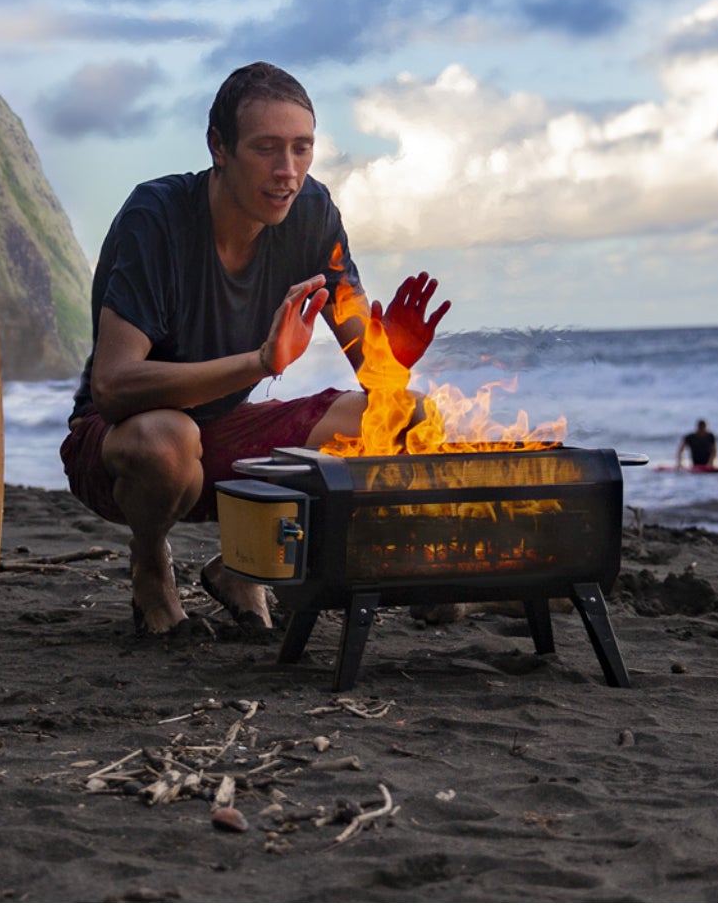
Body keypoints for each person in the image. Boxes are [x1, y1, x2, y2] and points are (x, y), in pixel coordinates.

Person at [60, 62, 449, 639]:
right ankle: (151, 567)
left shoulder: (312, 214)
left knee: (410, 416)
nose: (287, 171)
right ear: (219, 147)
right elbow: (113, 387)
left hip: (223, 437)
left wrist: (392, 360)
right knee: (169, 439)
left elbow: (375, 376)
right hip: (120, 446)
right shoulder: (158, 216)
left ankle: (245, 562)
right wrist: (260, 364)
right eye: (267, 149)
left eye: (301, 149)